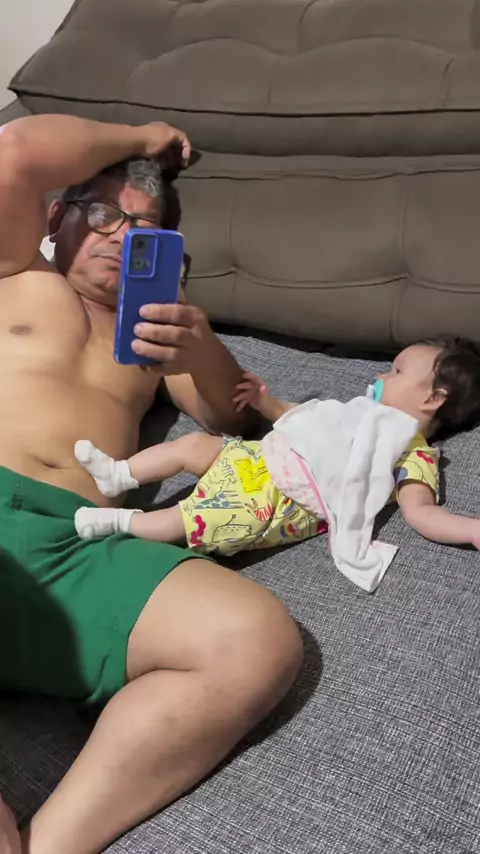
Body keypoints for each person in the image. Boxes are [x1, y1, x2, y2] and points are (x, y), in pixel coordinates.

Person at [0, 114, 303, 854]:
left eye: (146, 230)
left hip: (76, 546)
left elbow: (230, 418)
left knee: (254, 641)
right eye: (103, 214)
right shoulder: (16, 273)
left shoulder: (153, 336)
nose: (122, 236)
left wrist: (201, 349)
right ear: (55, 218)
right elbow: (15, 150)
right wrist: (142, 139)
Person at [73, 338, 480, 554]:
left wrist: (471, 530)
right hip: (256, 459)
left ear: (433, 398)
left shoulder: (412, 453)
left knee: (187, 518)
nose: (380, 376)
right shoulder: (356, 413)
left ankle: (117, 522)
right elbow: (305, 418)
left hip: (274, 503)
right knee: (194, 444)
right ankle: (119, 474)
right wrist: (265, 402)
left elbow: (421, 512)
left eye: (396, 372)